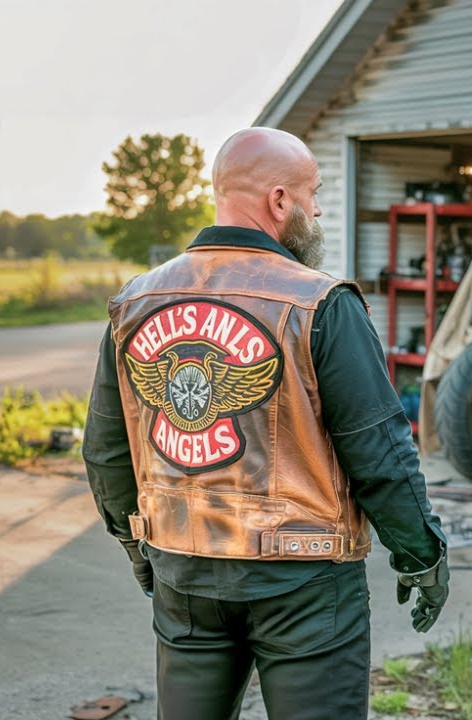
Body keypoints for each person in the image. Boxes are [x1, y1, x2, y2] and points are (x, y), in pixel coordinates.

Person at [83, 127, 448, 720]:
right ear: (280, 201)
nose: (318, 209)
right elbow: (379, 449)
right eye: (313, 193)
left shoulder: (136, 301)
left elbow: (105, 446)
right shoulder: (320, 301)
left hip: (183, 569)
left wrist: (135, 542)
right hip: (305, 581)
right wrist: (421, 553)